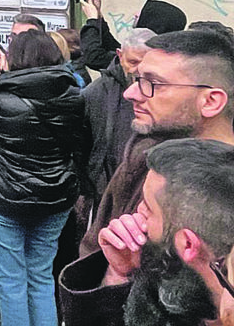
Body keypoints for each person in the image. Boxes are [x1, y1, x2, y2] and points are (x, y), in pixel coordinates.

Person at [0, 30, 85, 326]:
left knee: (11, 282)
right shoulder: (75, 95)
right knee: (41, 276)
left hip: (6, 199)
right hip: (56, 197)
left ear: (15, 59)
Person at [79, 29, 234, 257]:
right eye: (137, 79)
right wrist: (113, 273)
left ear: (210, 101)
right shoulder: (142, 158)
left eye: (153, 83)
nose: (131, 93)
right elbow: (92, 250)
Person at [60, 138, 234, 326]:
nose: (138, 213)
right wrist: (117, 276)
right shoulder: (177, 285)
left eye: (148, 207)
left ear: (188, 244)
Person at [81, 27, 155, 217]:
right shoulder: (95, 93)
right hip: (105, 191)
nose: (138, 69)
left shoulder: (165, 92)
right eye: (132, 62)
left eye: (145, 62)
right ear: (120, 56)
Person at [79, 0, 186, 71]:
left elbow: (94, 58)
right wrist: (98, 17)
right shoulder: (157, 55)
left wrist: (92, 20)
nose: (135, 14)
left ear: (154, 21)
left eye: (143, 13)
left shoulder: (145, 59)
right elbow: (112, 46)